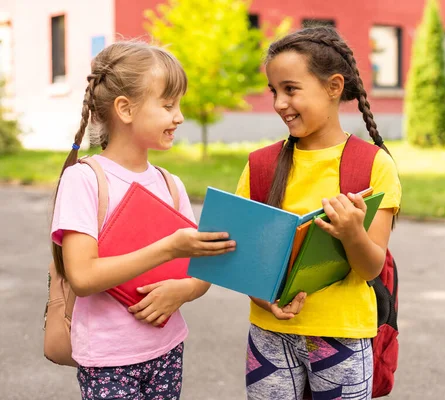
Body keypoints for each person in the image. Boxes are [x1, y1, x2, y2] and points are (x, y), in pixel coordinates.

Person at [50, 41, 235, 399]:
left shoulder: (171, 184)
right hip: (108, 358)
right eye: (167, 105)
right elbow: (84, 277)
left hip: (167, 349)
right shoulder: (85, 180)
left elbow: (199, 270)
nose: (179, 116)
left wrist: (186, 290)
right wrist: (168, 248)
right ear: (125, 109)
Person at [236, 26, 402, 399]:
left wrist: (352, 232)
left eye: (291, 89)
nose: (280, 103)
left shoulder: (374, 166)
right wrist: (261, 296)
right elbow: (242, 256)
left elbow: (371, 267)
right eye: (274, 91)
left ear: (334, 86)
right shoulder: (260, 166)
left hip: (342, 334)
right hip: (268, 333)